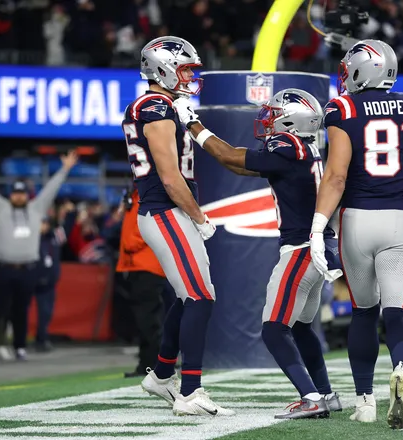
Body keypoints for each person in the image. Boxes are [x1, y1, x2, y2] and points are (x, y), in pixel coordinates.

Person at [174, 88, 343, 420]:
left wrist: (192, 124)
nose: (268, 121)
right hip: (319, 247)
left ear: (292, 122)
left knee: (273, 328)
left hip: (301, 250)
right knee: (301, 327)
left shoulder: (288, 146)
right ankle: (324, 393)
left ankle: (311, 397)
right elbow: (241, 166)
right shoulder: (305, 150)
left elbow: (230, 157)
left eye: (275, 115)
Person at [308, 39, 403, 429]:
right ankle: (401, 369)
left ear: (362, 69)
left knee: (364, 311)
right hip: (400, 218)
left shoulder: (343, 108)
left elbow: (337, 175)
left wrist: (317, 226)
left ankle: (365, 400)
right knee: (398, 312)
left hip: (358, 220)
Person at [121, 36, 233, 417]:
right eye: (184, 68)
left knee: (193, 296)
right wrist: (200, 217)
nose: (189, 76)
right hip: (165, 209)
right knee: (200, 297)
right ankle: (190, 392)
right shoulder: (154, 105)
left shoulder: (165, 104)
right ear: (161, 68)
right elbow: (170, 178)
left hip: (171, 210)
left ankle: (162, 375)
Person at [0, 148, 78, 361]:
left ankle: (19, 347)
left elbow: (51, 189)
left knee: (21, 311)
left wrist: (65, 169)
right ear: (11, 195)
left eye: (21, 193)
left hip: (27, 269)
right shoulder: (1, 208)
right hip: (3, 268)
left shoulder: (36, 208)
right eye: (15, 193)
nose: (18, 196)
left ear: (26, 195)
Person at [116, 187, 170, 378]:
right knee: (145, 318)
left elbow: (152, 221)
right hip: (137, 264)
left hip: (146, 263)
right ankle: (149, 363)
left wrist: (131, 241)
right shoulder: (138, 191)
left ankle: (152, 364)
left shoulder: (149, 190)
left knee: (148, 318)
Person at [34, 215, 65, 352]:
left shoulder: (53, 239)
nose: (44, 226)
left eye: (46, 223)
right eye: (42, 223)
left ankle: (42, 338)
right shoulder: (32, 239)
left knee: (46, 312)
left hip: (49, 281)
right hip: (33, 279)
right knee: (20, 310)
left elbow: (66, 231)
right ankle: (20, 341)